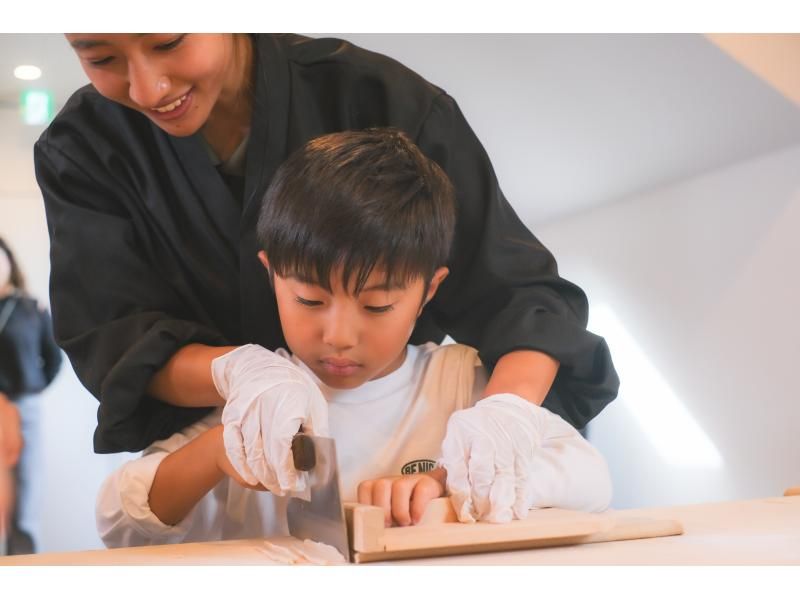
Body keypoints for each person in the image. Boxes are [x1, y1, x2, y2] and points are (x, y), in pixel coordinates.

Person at [36, 34, 619, 522]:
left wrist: (506, 419)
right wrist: (241, 380)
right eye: (101, 58)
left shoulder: (385, 101)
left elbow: (520, 296)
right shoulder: (85, 150)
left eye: (168, 43)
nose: (147, 88)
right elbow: (114, 344)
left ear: (427, 290)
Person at [95, 129, 612, 547]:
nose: (339, 336)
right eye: (310, 300)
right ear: (270, 275)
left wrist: (454, 479)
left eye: (377, 306)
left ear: (429, 290)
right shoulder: (266, 395)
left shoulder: (459, 382)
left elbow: (592, 480)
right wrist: (220, 452)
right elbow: (118, 521)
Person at [0, 237, 63, 554]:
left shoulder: (31, 309)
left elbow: (53, 360)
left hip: (25, 408)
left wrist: (31, 389)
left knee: (26, 493)